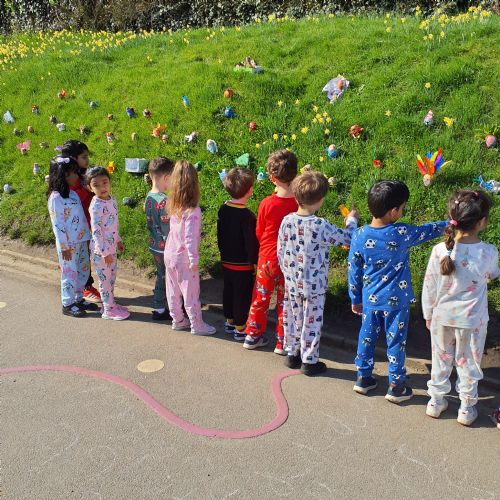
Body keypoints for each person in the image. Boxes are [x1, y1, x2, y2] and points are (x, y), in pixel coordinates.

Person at [348, 180, 447, 403]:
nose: (402, 211)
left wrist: (355, 298)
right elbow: (426, 231)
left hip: (370, 300)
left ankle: (363, 377)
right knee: (396, 342)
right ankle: (396, 385)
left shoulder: (359, 235)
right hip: (396, 302)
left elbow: (353, 270)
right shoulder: (400, 232)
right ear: (393, 211)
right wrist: (448, 224)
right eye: (402, 208)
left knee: (366, 338)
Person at [422, 190, 498, 426]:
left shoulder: (439, 250)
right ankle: (466, 408)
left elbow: (429, 286)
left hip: (441, 317)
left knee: (440, 360)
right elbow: (492, 274)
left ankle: (435, 401)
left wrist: (428, 314)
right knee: (469, 363)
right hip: (472, 321)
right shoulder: (488, 252)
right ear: (482, 222)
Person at [278, 172, 358, 375]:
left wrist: (287, 273)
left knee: (293, 318)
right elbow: (347, 238)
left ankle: (293, 354)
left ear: (296, 197)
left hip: (292, 282)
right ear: (321, 199)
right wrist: (351, 220)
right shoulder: (320, 225)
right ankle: (309, 361)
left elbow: (280, 249)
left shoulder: (286, 221)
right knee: (311, 322)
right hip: (315, 285)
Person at [244, 149, 298, 353]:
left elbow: (259, 231)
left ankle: (252, 335)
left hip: (268, 257)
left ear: (272, 177)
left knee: (261, 297)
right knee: (286, 301)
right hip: (290, 259)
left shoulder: (266, 203)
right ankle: (282, 341)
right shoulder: (299, 203)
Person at [164, 160, 216, 335]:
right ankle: (196, 324)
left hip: (169, 254)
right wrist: (194, 260)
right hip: (184, 258)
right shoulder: (193, 211)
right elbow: (190, 238)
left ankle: (178, 320)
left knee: (172, 290)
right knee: (191, 292)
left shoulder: (173, 206)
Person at [47, 156, 96, 317]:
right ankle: (67, 303)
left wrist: (88, 236)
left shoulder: (73, 194)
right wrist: (64, 247)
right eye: (73, 173)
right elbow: (58, 225)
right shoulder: (55, 198)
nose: (76, 176)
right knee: (69, 273)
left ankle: (78, 298)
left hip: (81, 240)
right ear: (63, 176)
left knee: (83, 270)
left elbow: (81, 217)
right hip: (68, 245)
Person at [217, 168, 259, 341]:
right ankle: (240, 327)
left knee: (228, 290)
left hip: (226, 259)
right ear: (249, 190)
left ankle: (230, 320)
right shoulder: (247, 216)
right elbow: (250, 242)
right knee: (242, 295)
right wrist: (254, 262)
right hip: (242, 264)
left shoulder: (223, 209)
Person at [86, 167, 129, 321]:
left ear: (110, 182)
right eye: (96, 185)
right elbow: (96, 231)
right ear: (90, 188)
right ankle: (108, 310)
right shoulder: (96, 206)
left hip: (111, 248)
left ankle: (109, 304)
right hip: (102, 252)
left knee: (111, 278)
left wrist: (118, 240)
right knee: (105, 280)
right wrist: (104, 253)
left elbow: (112, 225)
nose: (102, 187)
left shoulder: (112, 200)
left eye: (104, 182)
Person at [61, 139, 101, 304]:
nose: (87, 160)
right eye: (84, 157)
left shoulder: (83, 175)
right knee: (77, 258)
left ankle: (84, 286)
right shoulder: (68, 178)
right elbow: (72, 198)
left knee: (85, 256)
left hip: (87, 222)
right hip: (75, 228)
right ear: (72, 158)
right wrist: (86, 191)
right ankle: (84, 287)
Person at [145, 157, 174, 321]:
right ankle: (164, 308)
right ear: (166, 178)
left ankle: (159, 306)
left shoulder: (149, 197)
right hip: (165, 247)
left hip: (154, 244)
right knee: (167, 277)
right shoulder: (164, 201)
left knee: (161, 275)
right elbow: (167, 229)